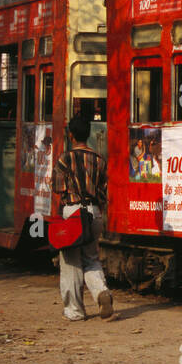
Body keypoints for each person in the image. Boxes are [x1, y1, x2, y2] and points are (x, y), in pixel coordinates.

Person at [54, 114, 113, 321]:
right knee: (91, 258)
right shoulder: (99, 160)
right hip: (94, 212)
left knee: (71, 262)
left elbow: (58, 189)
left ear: (71, 135)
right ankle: (100, 293)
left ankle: (75, 311)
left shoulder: (64, 159)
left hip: (73, 213)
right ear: (88, 134)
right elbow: (105, 192)